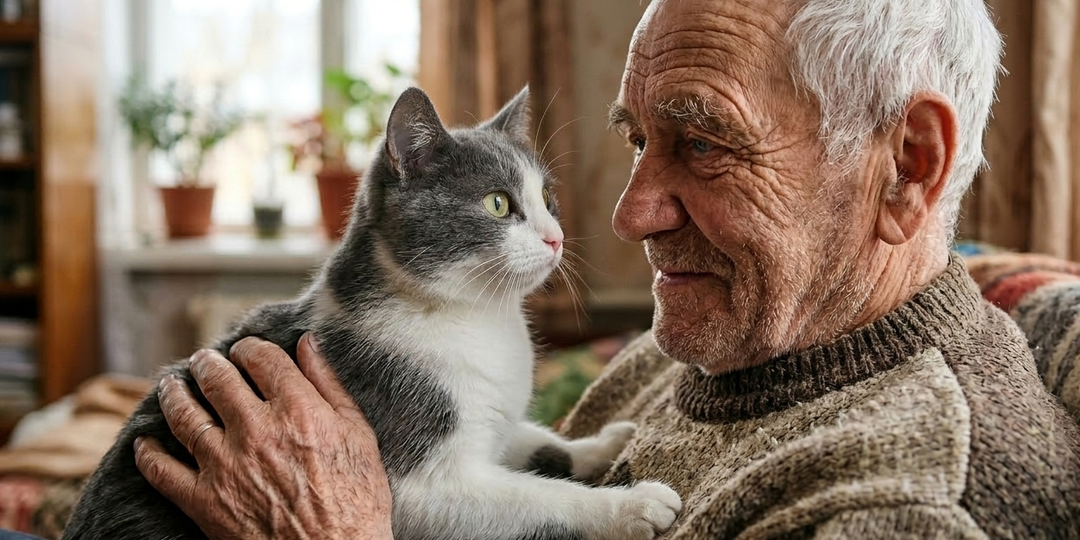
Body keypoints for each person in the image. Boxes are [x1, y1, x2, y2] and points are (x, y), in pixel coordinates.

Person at [132, 0, 1080, 538]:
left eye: (704, 144)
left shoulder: (908, 508)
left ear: (907, 162)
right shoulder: (740, 325)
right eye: (637, 143)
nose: (627, 215)